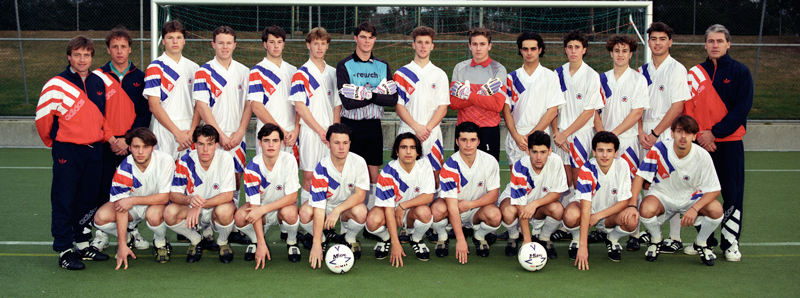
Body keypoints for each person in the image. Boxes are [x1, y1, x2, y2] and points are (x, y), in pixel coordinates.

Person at [35, 35, 112, 270]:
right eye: (77, 55)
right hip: (68, 151)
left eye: (86, 55)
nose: (81, 59)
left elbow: (101, 118)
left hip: (94, 151)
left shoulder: (99, 82)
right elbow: (43, 120)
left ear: (92, 57)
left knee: (88, 199)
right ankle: (64, 249)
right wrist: (59, 142)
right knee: (64, 198)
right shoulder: (56, 84)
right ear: (69, 56)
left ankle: (81, 242)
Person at [683, 24, 752, 262]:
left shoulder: (740, 72)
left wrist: (715, 132)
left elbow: (741, 109)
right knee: (698, 193)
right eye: (711, 41)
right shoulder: (694, 73)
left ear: (728, 44)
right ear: (705, 44)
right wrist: (701, 135)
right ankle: (705, 241)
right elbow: (688, 108)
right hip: (700, 143)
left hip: (729, 142)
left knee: (732, 193)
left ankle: (730, 242)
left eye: (720, 41)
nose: (715, 45)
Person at [619, 116, 724, 266]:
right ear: (672, 133)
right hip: (663, 196)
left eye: (688, 133)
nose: (683, 137)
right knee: (646, 209)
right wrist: (632, 205)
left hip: (690, 198)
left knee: (716, 209)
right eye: (679, 131)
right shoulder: (660, 149)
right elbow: (640, 176)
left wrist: (695, 208)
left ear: (694, 136)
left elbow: (714, 190)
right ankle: (656, 240)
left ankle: (701, 242)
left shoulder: (702, 156)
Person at [629, 22, 691, 252]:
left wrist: (655, 133)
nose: (657, 43)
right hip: (643, 132)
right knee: (644, 181)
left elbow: (677, 106)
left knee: (668, 183)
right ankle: (645, 232)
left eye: (662, 39)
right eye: (653, 39)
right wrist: (641, 132)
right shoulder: (642, 71)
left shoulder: (677, 69)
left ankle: (674, 237)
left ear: (670, 42)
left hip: (665, 132)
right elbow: (636, 107)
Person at [192, 26, 252, 245]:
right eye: (221, 42)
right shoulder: (203, 72)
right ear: (213, 44)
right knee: (208, 180)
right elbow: (201, 105)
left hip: (237, 138)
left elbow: (249, 104)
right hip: (211, 138)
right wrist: (219, 135)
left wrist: (241, 131)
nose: (225, 47)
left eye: (229, 43)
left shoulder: (244, 72)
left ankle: (231, 225)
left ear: (235, 45)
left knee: (234, 180)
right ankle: (205, 229)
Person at [392, 26, 449, 242]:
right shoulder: (401, 73)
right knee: (406, 177)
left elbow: (443, 107)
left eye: (427, 42)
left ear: (432, 46)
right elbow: (398, 106)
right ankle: (406, 223)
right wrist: (416, 127)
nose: (423, 46)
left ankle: (429, 223)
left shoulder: (440, 74)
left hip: (432, 136)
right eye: (419, 42)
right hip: (408, 133)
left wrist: (426, 129)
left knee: (433, 177)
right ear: (413, 44)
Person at [592, 35, 649, 246]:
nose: (620, 54)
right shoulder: (601, 79)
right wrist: (602, 137)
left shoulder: (638, 80)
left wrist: (611, 136)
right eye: (617, 50)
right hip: (605, 142)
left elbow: (637, 113)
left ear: (631, 54)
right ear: (611, 53)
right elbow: (594, 111)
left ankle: (634, 232)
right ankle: (604, 226)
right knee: (605, 184)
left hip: (628, 141)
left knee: (632, 184)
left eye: (625, 51)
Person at [336, 21, 399, 209]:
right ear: (355, 38)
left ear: (375, 40)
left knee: (373, 174)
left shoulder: (382, 66)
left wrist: (363, 93)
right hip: (350, 126)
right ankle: (349, 217)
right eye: (362, 36)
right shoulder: (344, 65)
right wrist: (376, 95)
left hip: (373, 126)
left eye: (370, 37)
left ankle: (370, 215)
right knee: (351, 174)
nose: (366, 41)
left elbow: (392, 100)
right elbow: (347, 102)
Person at [92, 128, 174, 269]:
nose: (140, 152)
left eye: (145, 147)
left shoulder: (165, 161)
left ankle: (160, 243)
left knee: (153, 216)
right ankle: (128, 237)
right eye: (136, 147)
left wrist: (132, 200)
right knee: (100, 218)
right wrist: (121, 244)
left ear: (153, 148)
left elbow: (165, 197)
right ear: (129, 148)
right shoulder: (124, 167)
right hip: (132, 208)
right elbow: (121, 207)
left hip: (156, 204)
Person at [550, 29, 604, 242]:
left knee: (578, 179)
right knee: (562, 180)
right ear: (565, 50)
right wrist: (556, 133)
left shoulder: (592, 76)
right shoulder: (557, 73)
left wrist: (566, 134)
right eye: (570, 47)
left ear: (585, 50)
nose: (573, 51)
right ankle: (564, 223)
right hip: (559, 135)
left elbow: (589, 112)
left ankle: (574, 229)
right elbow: (552, 107)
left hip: (580, 135)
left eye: (577, 47)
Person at [564, 131, 638, 270]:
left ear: (616, 153)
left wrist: (597, 216)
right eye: (600, 150)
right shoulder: (587, 169)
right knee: (570, 216)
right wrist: (583, 247)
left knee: (632, 220)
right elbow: (585, 209)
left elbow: (624, 202)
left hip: (609, 214)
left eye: (609, 151)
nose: (605, 155)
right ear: (594, 152)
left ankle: (612, 239)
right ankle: (576, 238)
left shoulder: (622, 166)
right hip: (587, 212)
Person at [164, 125, 237, 263]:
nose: (205, 149)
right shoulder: (185, 161)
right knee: (169, 212)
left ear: (216, 145)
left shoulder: (226, 158)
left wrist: (200, 205)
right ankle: (196, 240)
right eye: (201, 144)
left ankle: (222, 242)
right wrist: (189, 200)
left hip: (215, 207)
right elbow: (174, 195)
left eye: (209, 144)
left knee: (226, 211)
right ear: (195, 145)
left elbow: (228, 195)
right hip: (192, 208)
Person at [431, 122, 501, 263]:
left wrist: (470, 205)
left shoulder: (489, 161)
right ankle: (442, 237)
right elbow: (451, 205)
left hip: (476, 210)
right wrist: (461, 240)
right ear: (457, 141)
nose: (468, 145)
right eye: (464, 140)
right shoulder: (450, 166)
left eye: (472, 140)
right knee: (436, 210)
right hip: (454, 210)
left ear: (479, 141)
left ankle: (479, 236)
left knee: (495, 216)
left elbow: (493, 195)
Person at [234, 124, 302, 268]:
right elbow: (254, 206)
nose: (271, 145)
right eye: (266, 140)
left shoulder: (288, 160)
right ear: (260, 143)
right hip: (261, 207)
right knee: (240, 217)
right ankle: (254, 240)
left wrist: (263, 209)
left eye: (275, 140)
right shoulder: (252, 167)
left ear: (281, 143)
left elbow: (292, 197)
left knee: (290, 213)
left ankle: (291, 241)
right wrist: (261, 242)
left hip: (282, 206)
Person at [303, 123, 370, 268]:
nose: (341, 147)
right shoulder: (322, 168)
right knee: (304, 213)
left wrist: (337, 210)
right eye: (337, 143)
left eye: (345, 143)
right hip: (326, 207)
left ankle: (349, 238)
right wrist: (316, 244)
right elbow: (319, 207)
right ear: (328, 144)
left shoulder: (359, 162)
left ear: (350, 144)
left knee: (361, 212)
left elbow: (360, 195)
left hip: (346, 207)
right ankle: (321, 238)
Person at [289, 27, 341, 211]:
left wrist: (334, 131)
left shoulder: (334, 73)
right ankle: (307, 223)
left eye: (323, 44)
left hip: (330, 135)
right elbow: (300, 106)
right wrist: (320, 130)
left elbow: (337, 104)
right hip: (311, 133)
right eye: (315, 43)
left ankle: (325, 220)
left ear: (327, 46)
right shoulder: (300, 74)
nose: (319, 47)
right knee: (310, 177)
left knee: (330, 176)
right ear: (308, 45)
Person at [367, 133, 435, 265]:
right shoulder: (387, 172)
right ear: (397, 151)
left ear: (417, 152)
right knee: (371, 221)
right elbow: (387, 209)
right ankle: (385, 238)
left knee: (425, 213)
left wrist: (403, 205)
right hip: (391, 213)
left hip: (411, 213)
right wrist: (395, 242)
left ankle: (416, 239)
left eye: (412, 147)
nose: (408, 151)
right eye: (403, 147)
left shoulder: (425, 165)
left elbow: (428, 196)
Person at [498, 131, 567, 258]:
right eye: (534, 152)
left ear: (550, 151)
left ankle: (544, 237)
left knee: (557, 209)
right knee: (507, 212)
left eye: (543, 152)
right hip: (517, 202)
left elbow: (556, 194)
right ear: (528, 151)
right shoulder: (520, 166)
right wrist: (527, 240)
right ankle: (514, 236)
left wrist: (534, 204)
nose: (539, 157)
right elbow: (520, 206)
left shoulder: (556, 161)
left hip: (540, 203)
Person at [503, 31, 563, 168]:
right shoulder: (511, 77)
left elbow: (553, 111)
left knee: (541, 184)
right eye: (525, 49)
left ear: (540, 50)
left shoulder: (550, 76)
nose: (529, 52)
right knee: (518, 184)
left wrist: (532, 136)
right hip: (517, 138)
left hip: (540, 137)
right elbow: (506, 111)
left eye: (533, 49)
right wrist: (517, 136)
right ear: (520, 50)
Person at [144, 20, 200, 160]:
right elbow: (153, 105)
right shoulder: (155, 68)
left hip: (189, 129)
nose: (175, 42)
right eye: (170, 38)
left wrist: (191, 132)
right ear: (163, 41)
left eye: (179, 37)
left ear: (184, 41)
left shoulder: (194, 68)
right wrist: (177, 133)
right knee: (166, 178)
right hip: (165, 129)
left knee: (188, 177)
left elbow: (199, 104)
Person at [449, 28, 507, 161]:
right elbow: (453, 103)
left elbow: (497, 105)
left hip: (488, 129)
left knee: (488, 175)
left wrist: (467, 94)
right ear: (469, 46)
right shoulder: (460, 68)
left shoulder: (499, 70)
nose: (478, 48)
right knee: (462, 174)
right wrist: (482, 95)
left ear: (489, 46)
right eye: (474, 44)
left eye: (482, 44)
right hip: (464, 129)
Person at [248, 25, 300, 158]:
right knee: (267, 177)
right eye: (271, 42)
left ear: (283, 44)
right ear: (265, 44)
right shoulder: (257, 71)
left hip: (291, 135)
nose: (276, 46)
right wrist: (280, 131)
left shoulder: (293, 71)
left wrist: (296, 130)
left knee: (290, 177)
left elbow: (299, 104)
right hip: (268, 134)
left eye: (279, 42)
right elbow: (256, 106)